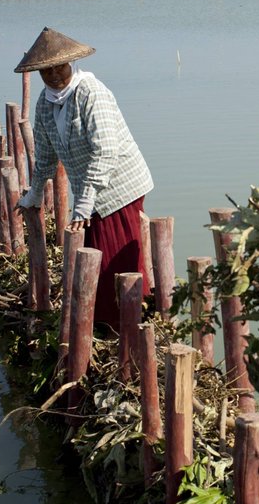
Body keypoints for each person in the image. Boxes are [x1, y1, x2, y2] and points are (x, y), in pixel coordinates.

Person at [14, 27, 154, 327]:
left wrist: (83, 205)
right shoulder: (46, 102)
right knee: (96, 256)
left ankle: (121, 325)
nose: (54, 75)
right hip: (90, 193)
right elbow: (46, 155)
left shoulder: (91, 92)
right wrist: (35, 193)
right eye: (46, 70)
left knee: (112, 262)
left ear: (71, 64)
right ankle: (105, 323)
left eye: (59, 67)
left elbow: (105, 151)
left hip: (120, 186)